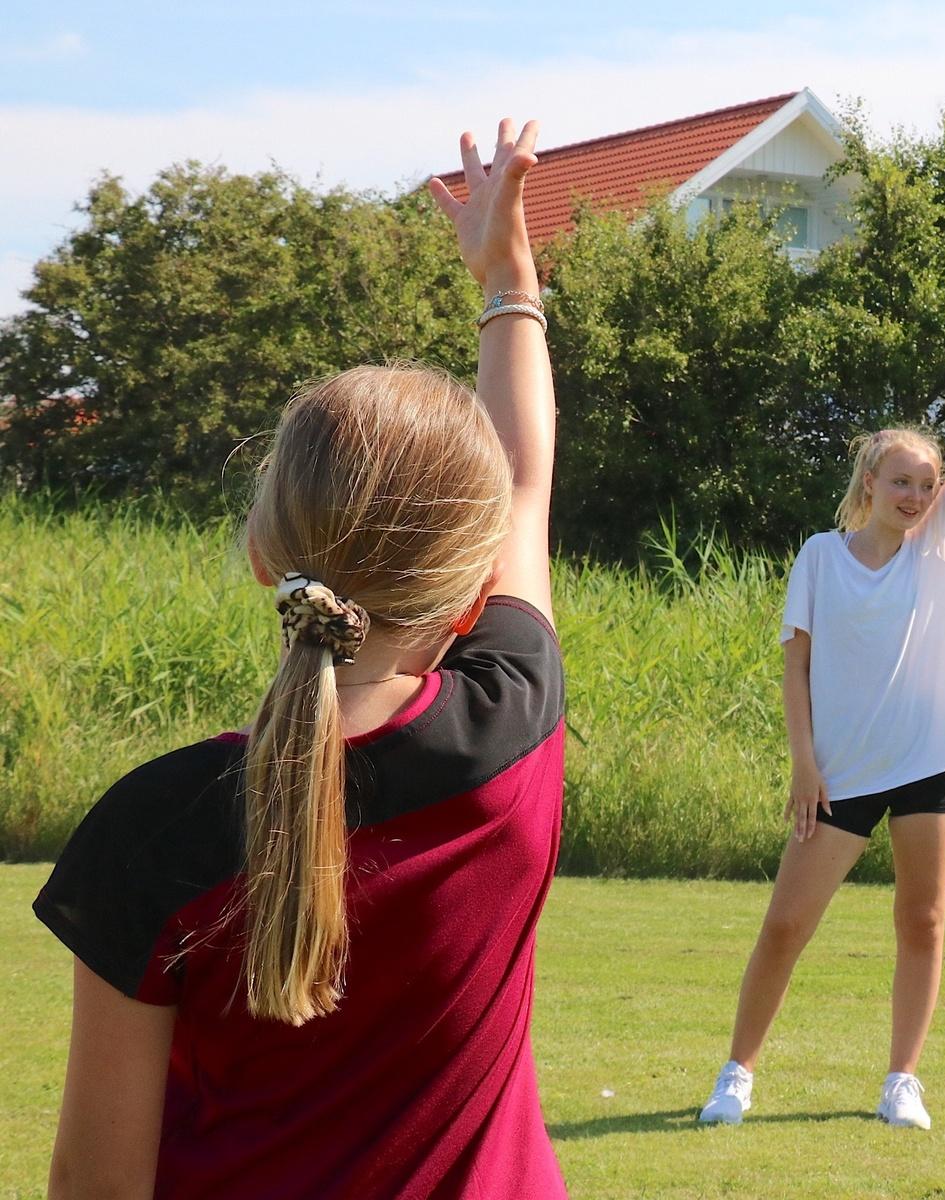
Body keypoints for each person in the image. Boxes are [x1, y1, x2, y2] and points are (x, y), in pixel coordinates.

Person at [36, 118, 567, 1198]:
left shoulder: (155, 828)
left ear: (264, 555)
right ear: (472, 595)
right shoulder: (510, 733)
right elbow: (523, 486)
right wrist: (510, 281)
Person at [698, 278, 945, 1131]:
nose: (916, 495)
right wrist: (805, 762)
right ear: (870, 480)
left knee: (923, 920)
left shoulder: (942, 543)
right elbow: (796, 670)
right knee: (786, 924)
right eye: (902, 481)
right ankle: (736, 1075)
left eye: (927, 484)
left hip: (929, 759)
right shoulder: (819, 556)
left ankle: (902, 1082)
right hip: (840, 772)